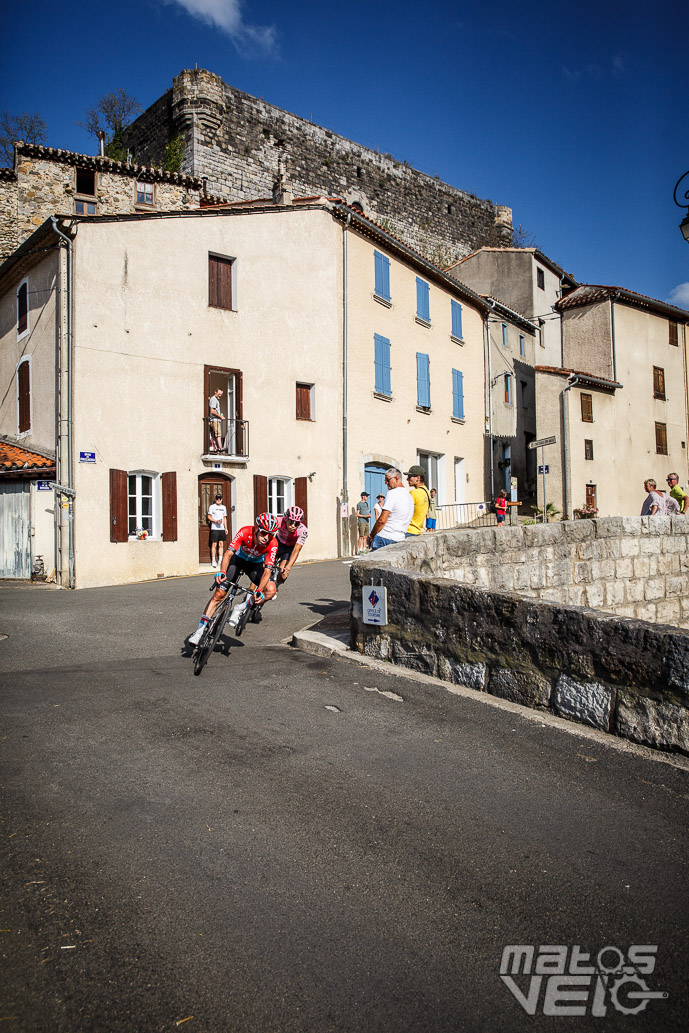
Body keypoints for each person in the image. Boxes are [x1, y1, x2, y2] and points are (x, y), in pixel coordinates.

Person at [188, 512, 279, 644]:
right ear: (257, 528)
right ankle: (199, 631)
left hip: (254, 566)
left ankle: (240, 608)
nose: (267, 537)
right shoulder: (245, 531)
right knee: (219, 595)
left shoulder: (273, 543)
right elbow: (228, 554)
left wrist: (259, 590)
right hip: (238, 561)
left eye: (271, 534)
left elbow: (267, 571)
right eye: (264, 533)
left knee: (271, 590)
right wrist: (222, 572)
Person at [367, 468, 414, 551]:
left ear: (396, 478)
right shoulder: (409, 496)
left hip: (385, 537)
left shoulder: (393, 493)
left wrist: (371, 535)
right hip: (400, 538)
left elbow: (382, 520)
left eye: (388, 480)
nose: (385, 482)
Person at [275, 506, 308, 582]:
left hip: (289, 549)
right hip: (278, 543)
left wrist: (288, 568)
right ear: (286, 519)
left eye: (296, 523)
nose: (293, 526)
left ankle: (276, 586)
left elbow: (296, 550)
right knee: (263, 567)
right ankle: (250, 592)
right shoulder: (279, 521)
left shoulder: (303, 530)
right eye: (290, 522)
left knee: (283, 571)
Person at [405, 465, 431, 537]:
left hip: (408, 530)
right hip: (418, 531)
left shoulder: (414, 493)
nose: (407, 479)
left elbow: (402, 512)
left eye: (409, 477)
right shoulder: (427, 492)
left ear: (418, 478)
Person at [207, 492, 228, 569]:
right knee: (214, 544)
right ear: (215, 499)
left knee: (221, 544)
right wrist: (215, 521)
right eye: (217, 498)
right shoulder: (212, 507)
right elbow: (209, 517)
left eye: (220, 498)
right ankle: (213, 560)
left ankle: (220, 560)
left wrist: (226, 528)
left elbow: (225, 518)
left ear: (221, 499)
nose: (218, 500)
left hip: (221, 528)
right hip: (214, 528)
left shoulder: (223, 507)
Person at [208, 387, 225, 452]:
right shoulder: (214, 399)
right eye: (219, 394)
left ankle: (216, 448)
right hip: (215, 420)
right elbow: (212, 411)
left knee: (215, 435)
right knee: (218, 435)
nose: (220, 395)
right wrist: (220, 416)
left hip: (214, 420)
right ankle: (220, 449)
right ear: (215, 392)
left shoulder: (215, 399)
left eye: (221, 394)